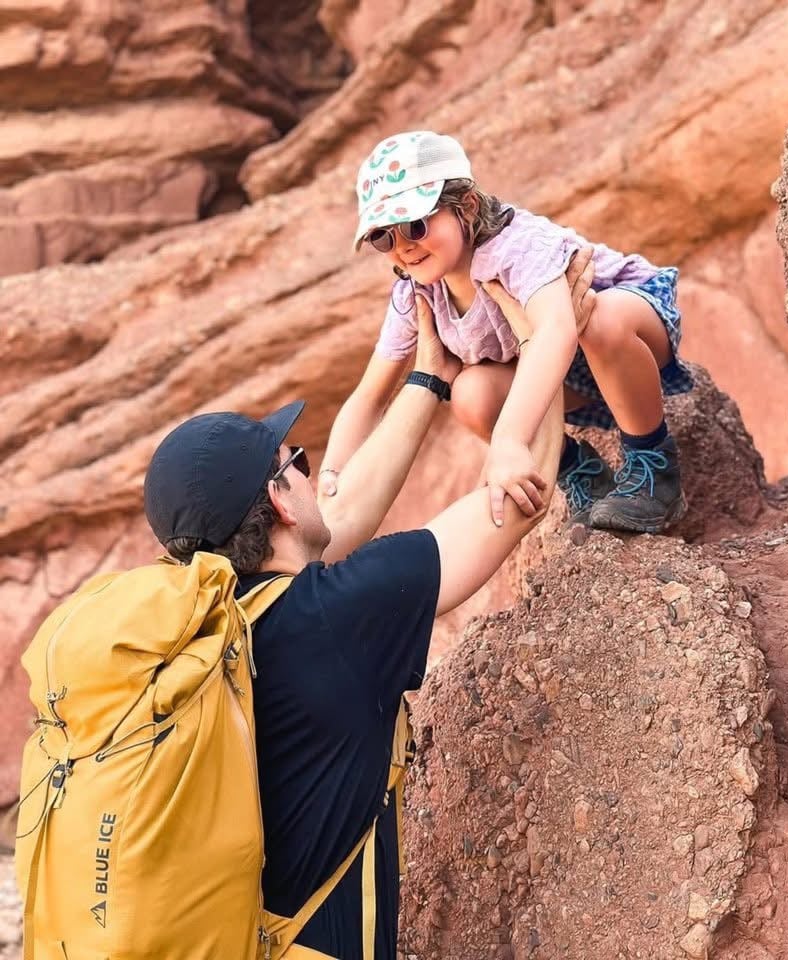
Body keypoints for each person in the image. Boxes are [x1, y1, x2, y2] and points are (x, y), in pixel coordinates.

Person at [141, 256, 596, 960]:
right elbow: (521, 491)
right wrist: (547, 336)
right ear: (277, 503)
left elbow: (341, 514)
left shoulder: (203, 629)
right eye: (294, 460)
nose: (308, 467)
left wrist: (428, 377)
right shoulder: (342, 616)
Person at [320, 130, 696, 534]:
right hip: (572, 377)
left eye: (415, 225)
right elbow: (369, 397)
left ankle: (653, 465)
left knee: (596, 318)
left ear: (466, 205)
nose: (403, 246)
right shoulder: (416, 291)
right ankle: (583, 473)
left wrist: (510, 441)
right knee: (470, 394)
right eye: (382, 236)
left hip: (629, 331)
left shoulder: (516, 247)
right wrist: (332, 473)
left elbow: (556, 330)